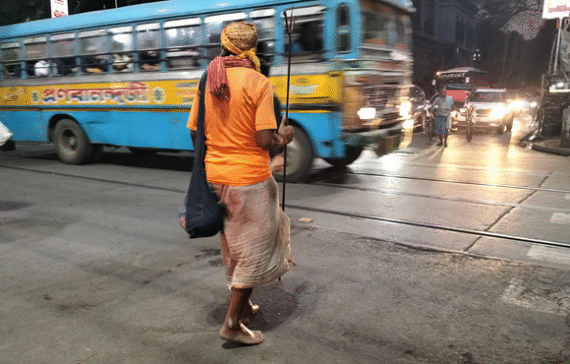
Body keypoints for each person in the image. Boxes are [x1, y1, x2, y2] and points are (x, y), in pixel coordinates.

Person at [186, 21, 295, 345]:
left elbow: (195, 130)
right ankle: (232, 323)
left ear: (225, 45)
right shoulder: (258, 83)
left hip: (215, 176)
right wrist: (284, 137)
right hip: (249, 180)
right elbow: (265, 139)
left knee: (233, 245)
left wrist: (218, 153)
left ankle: (244, 306)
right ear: (252, 49)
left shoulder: (209, 79)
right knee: (253, 250)